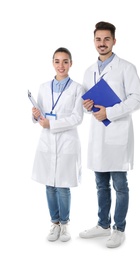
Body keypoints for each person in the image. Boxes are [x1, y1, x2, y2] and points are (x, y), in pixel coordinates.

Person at [79, 21, 140, 248]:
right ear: (94, 41)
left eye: (107, 39)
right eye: (98, 39)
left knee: (120, 184)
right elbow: (87, 106)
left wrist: (111, 111)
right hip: (98, 135)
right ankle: (102, 224)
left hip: (118, 133)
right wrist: (88, 107)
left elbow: (137, 98)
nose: (102, 43)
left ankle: (119, 228)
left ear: (114, 41)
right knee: (100, 183)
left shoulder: (126, 67)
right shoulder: (88, 71)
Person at [31, 47, 84, 243]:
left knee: (62, 186)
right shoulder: (44, 87)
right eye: (57, 61)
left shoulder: (78, 88)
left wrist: (51, 124)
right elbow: (41, 113)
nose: (61, 65)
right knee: (49, 185)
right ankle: (54, 223)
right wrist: (36, 116)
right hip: (47, 142)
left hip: (67, 142)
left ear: (71, 63)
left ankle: (65, 224)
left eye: (65, 61)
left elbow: (77, 117)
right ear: (52, 63)